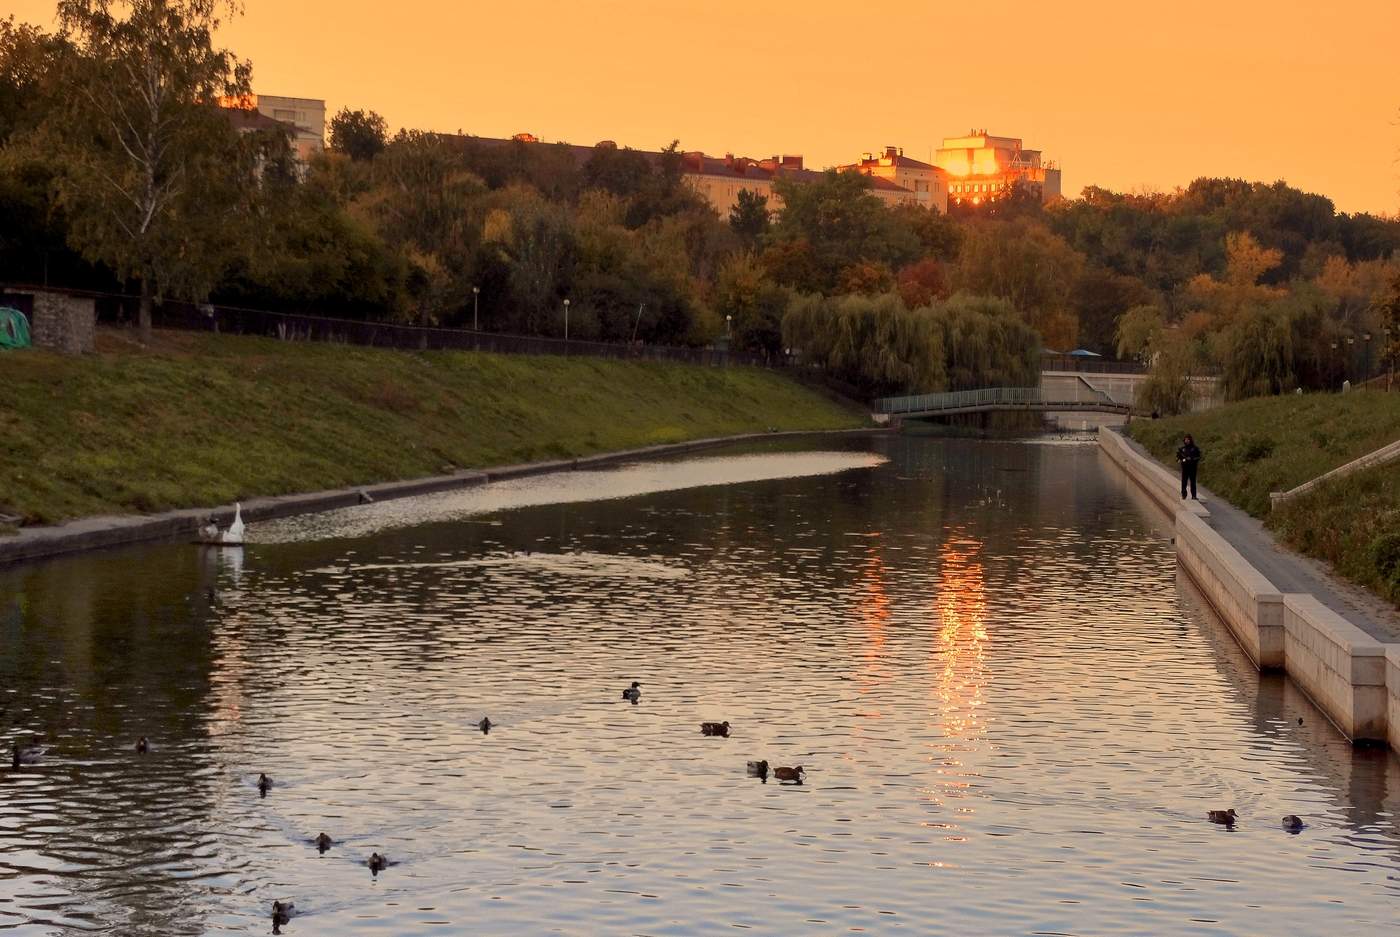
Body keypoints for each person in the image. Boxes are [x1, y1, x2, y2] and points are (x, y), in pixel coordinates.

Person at [1177, 434, 1202, 500]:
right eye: (1185, 439)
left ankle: (1194, 495)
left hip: (1193, 468)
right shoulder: (1182, 449)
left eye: (1188, 439)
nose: (1186, 441)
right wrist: (1182, 460)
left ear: (1190, 440)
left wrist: (1192, 459)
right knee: (1184, 482)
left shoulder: (1195, 448)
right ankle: (1184, 494)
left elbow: (1199, 457)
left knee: (1193, 482)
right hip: (1185, 468)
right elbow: (1178, 458)